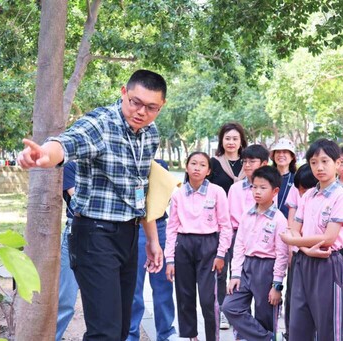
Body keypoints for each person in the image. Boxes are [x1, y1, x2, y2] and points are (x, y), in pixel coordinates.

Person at [17, 69, 167, 340]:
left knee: (121, 329)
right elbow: (66, 144)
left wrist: (153, 241)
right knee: (105, 333)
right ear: (123, 92)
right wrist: (42, 155)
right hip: (94, 236)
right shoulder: (101, 124)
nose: (141, 112)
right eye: (135, 102)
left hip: (129, 235)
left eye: (151, 107)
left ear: (161, 106)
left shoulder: (150, 134)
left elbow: (143, 191)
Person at [280, 138, 343, 341]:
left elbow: (328, 238)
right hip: (303, 262)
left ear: (337, 164)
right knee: (298, 324)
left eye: (325, 161)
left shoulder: (340, 196)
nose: (319, 167)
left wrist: (296, 243)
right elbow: (294, 229)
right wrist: (305, 249)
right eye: (313, 162)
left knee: (329, 327)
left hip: (327, 263)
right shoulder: (308, 195)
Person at [165, 152, 233, 341]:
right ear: (186, 167)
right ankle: (191, 336)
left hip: (209, 246)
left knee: (207, 299)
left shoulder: (217, 191)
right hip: (183, 245)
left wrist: (221, 254)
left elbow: (225, 226)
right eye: (193, 163)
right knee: (185, 297)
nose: (197, 168)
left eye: (202, 165)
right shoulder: (178, 194)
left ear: (208, 170)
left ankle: (213, 337)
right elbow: (171, 228)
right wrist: (169, 259)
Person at [222, 166, 289, 341]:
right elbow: (239, 246)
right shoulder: (247, 215)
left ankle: (265, 334)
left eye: (262, 187)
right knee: (230, 307)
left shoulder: (279, 219)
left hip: (266, 269)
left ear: (275, 191)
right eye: (254, 186)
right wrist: (235, 274)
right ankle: (267, 338)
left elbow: (282, 255)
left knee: (265, 315)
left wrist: (277, 286)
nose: (257, 191)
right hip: (246, 266)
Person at [127, 159, 176, 341]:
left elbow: (165, 195)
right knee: (134, 286)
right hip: (135, 226)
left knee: (163, 284)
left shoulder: (161, 164)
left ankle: (165, 334)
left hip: (160, 226)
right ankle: (131, 334)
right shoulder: (125, 161)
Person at [207, 122, 248, 330]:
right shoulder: (213, 164)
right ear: (221, 140)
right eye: (227, 138)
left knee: (243, 270)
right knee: (221, 270)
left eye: (235, 138)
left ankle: (240, 310)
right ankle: (223, 310)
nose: (231, 142)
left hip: (246, 227)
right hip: (221, 225)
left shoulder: (249, 163)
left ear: (241, 141)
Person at [282, 163, 318, 340]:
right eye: (300, 190)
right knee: (294, 299)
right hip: (299, 253)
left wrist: (296, 243)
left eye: (305, 190)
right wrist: (293, 247)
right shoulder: (299, 196)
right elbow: (292, 226)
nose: (302, 194)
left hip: (319, 257)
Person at [56, 161, 78, 341]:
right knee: (66, 300)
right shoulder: (71, 167)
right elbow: (78, 201)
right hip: (75, 233)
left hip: (103, 235)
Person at [270, 138, 297, 219]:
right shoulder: (267, 176)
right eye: (278, 152)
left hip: (289, 224)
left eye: (285, 152)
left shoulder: (296, 179)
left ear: (292, 157)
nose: (281, 155)